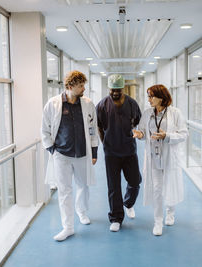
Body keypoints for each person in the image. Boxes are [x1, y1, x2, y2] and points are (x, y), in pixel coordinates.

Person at [42, 70, 98, 241]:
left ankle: (82, 212)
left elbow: (93, 128)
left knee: (83, 185)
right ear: (70, 86)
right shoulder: (53, 104)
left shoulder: (88, 104)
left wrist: (94, 152)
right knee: (64, 191)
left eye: (84, 85)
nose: (84, 89)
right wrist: (52, 149)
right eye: (81, 86)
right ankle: (68, 227)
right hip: (62, 155)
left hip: (82, 153)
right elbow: (45, 129)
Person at [133, 84, 188, 236]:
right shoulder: (147, 113)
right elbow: (144, 131)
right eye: (148, 96)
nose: (149, 99)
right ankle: (158, 221)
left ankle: (170, 212)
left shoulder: (175, 113)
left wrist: (167, 136)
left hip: (170, 156)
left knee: (170, 184)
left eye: (151, 96)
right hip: (153, 157)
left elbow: (184, 134)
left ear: (161, 98)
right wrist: (140, 135)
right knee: (157, 189)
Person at [96, 74, 142, 232]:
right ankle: (116, 218)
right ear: (109, 88)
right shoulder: (102, 105)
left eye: (118, 89)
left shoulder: (132, 104)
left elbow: (137, 122)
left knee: (135, 181)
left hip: (129, 150)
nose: (115, 92)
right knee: (113, 186)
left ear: (123, 88)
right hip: (111, 153)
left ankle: (128, 204)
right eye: (112, 89)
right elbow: (99, 127)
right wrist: (105, 144)